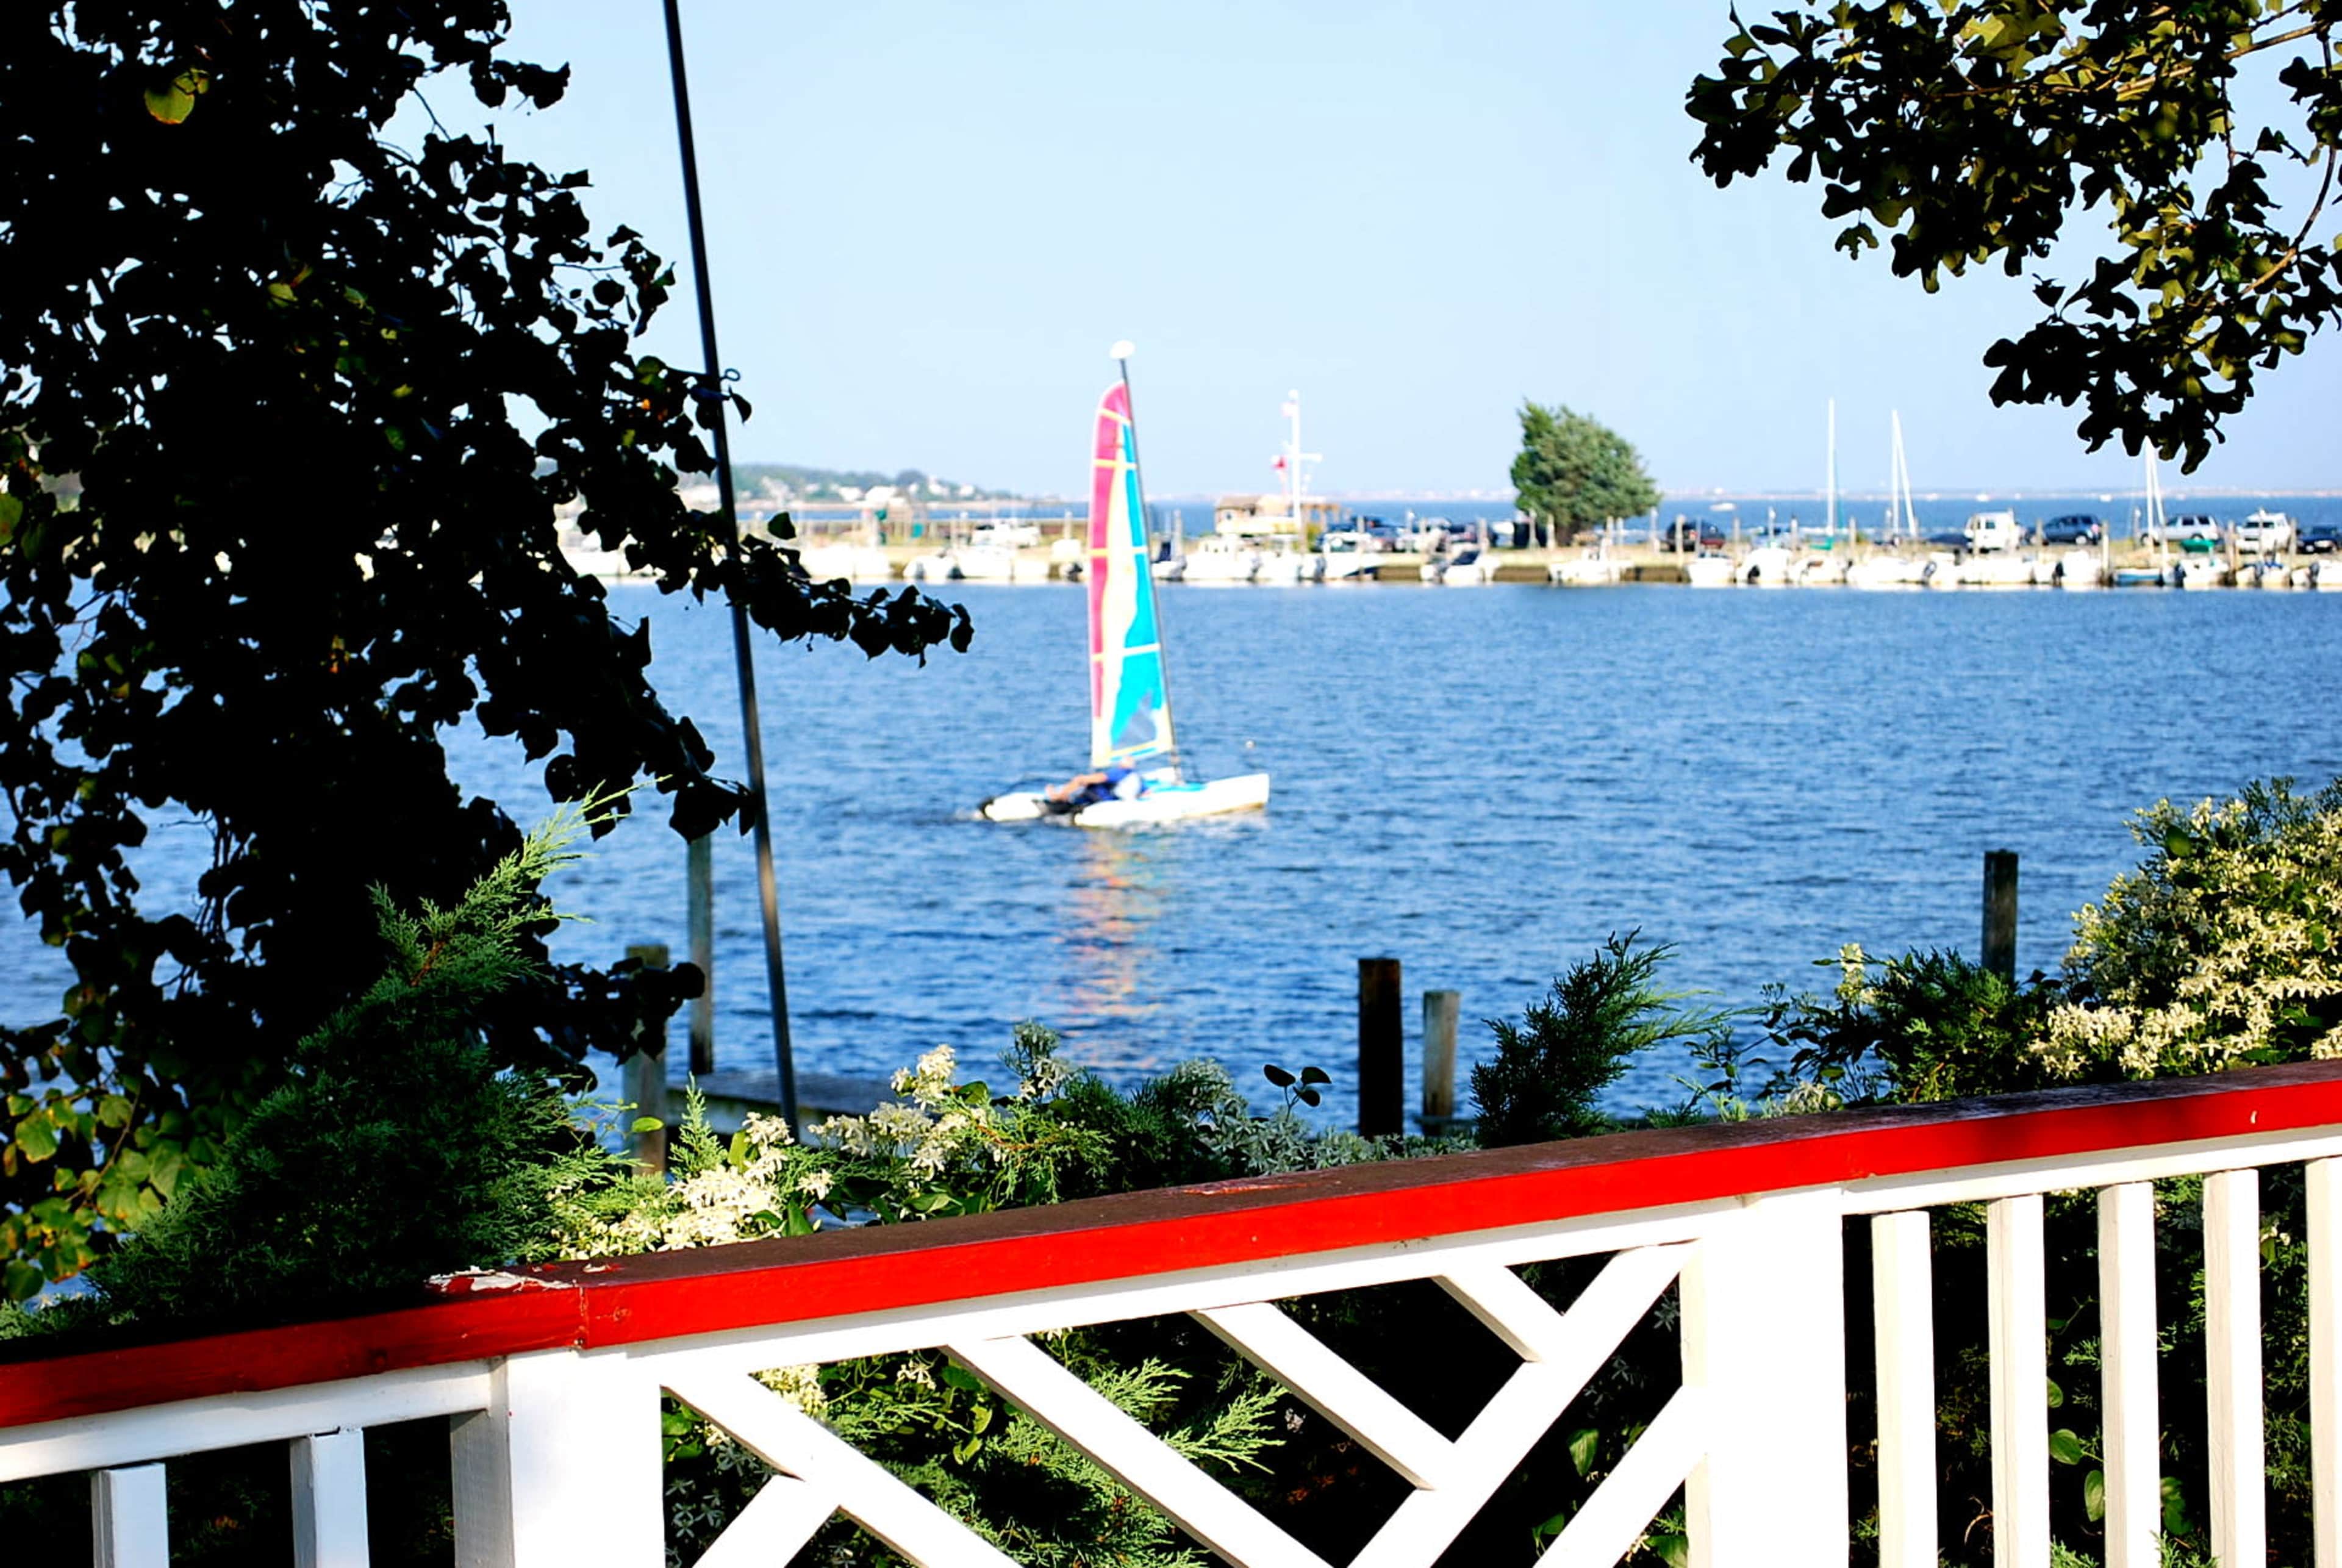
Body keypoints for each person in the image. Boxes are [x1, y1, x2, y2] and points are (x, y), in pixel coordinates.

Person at [1045, 762, 1143, 811]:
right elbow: (1145, 791)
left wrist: (1083, 779)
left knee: (1081, 780)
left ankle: (1059, 798)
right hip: (1112, 797)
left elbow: (1102, 778)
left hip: (1103, 798)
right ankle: (1064, 798)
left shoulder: (1120, 772)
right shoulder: (1136, 776)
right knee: (1085, 784)